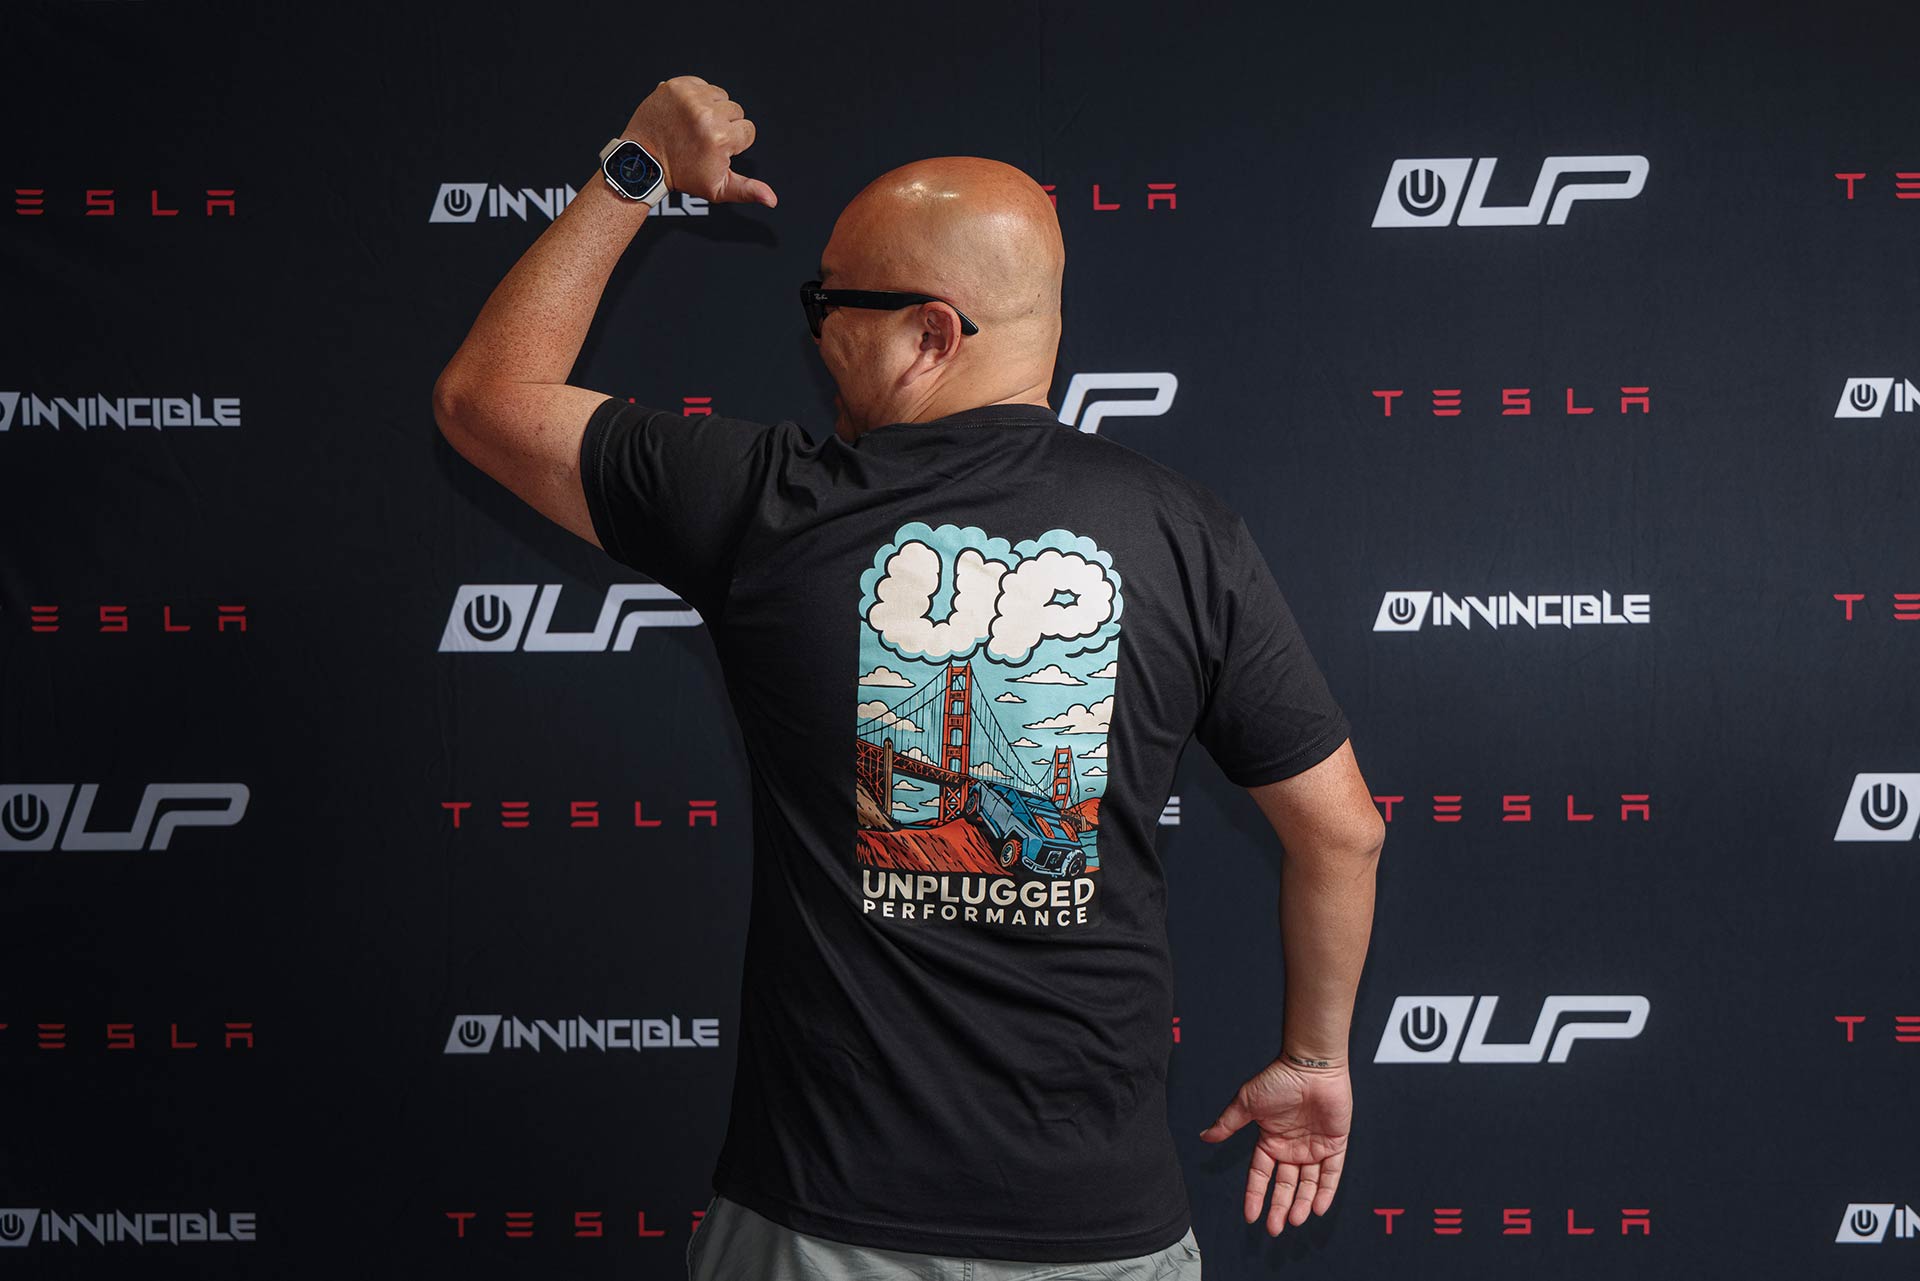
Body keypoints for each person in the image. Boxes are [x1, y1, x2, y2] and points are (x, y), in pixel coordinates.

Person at [433, 74, 1385, 1281]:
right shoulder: (1187, 536)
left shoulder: (769, 505)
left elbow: (485, 398)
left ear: (932, 333)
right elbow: (1343, 833)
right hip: (1101, 1240)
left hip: (824, 1232)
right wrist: (1314, 1059)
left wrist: (641, 164)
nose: (815, 333)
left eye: (831, 302)